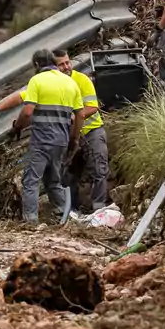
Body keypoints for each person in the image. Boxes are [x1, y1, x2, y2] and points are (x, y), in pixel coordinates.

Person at [9, 49, 83, 223]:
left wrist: (17, 127)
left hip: (41, 141)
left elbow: (27, 112)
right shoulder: (70, 83)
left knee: (31, 181)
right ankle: (65, 217)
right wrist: (74, 139)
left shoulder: (37, 80)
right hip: (61, 141)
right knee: (54, 181)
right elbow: (80, 115)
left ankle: (31, 222)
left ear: (36, 65)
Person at [53, 49, 109, 212]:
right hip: (67, 135)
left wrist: (74, 117)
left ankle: (99, 208)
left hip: (91, 131)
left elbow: (93, 106)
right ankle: (71, 210)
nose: (66, 67)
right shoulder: (53, 84)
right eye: (61, 64)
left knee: (99, 169)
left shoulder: (82, 80)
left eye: (67, 62)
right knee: (66, 174)